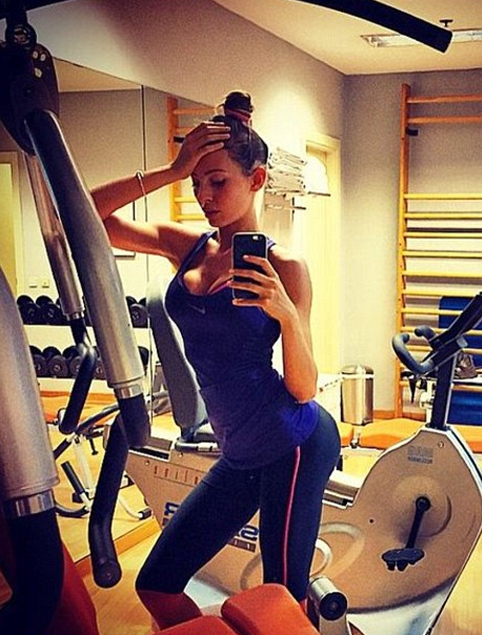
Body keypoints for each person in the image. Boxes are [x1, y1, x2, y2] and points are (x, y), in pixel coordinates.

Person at [91, 90, 341, 630]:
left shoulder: (285, 266)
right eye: (196, 182)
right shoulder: (186, 247)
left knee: (282, 602)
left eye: (219, 181)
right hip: (240, 451)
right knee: (156, 585)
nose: (205, 195)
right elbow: (87, 214)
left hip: (293, 441)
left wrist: (285, 314)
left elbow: (303, 388)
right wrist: (171, 169)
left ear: (257, 179)